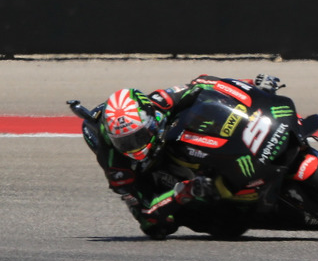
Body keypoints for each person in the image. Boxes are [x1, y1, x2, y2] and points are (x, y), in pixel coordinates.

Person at [75, 73, 281, 239]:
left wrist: (253, 86)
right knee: (226, 228)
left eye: (137, 137)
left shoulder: (159, 101)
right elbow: (149, 223)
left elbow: (205, 83)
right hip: (170, 187)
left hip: (174, 139)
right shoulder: (118, 168)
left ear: (149, 117)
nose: (134, 146)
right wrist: (182, 193)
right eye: (125, 142)